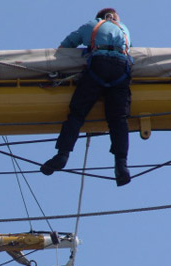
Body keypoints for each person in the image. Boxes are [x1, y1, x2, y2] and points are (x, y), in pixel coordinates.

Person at [41, 8, 132, 186]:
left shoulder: (92, 25)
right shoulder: (124, 29)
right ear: (115, 17)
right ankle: (121, 166)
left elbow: (67, 44)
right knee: (119, 120)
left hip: (98, 67)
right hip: (121, 69)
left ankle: (62, 155)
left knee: (77, 113)